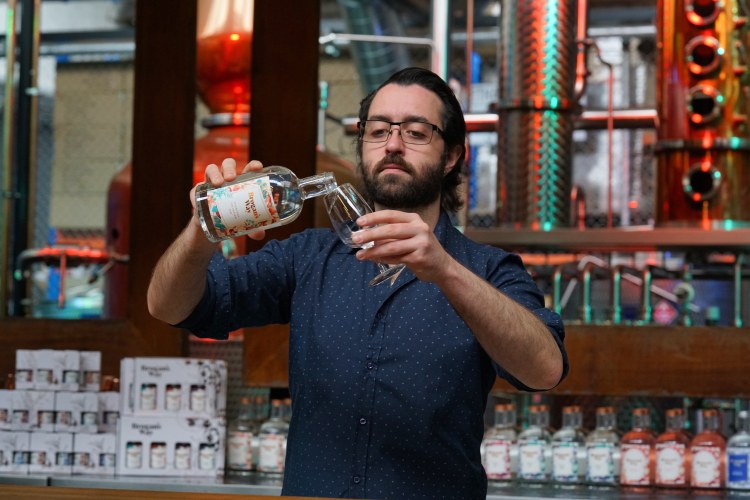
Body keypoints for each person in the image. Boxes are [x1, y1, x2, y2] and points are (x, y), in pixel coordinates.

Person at [147, 67, 568, 499]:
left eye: (416, 132)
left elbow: (545, 370)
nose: (393, 144)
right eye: (378, 130)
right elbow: (169, 306)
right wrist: (204, 227)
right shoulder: (307, 257)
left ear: (452, 156)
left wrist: (445, 269)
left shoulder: (487, 270)